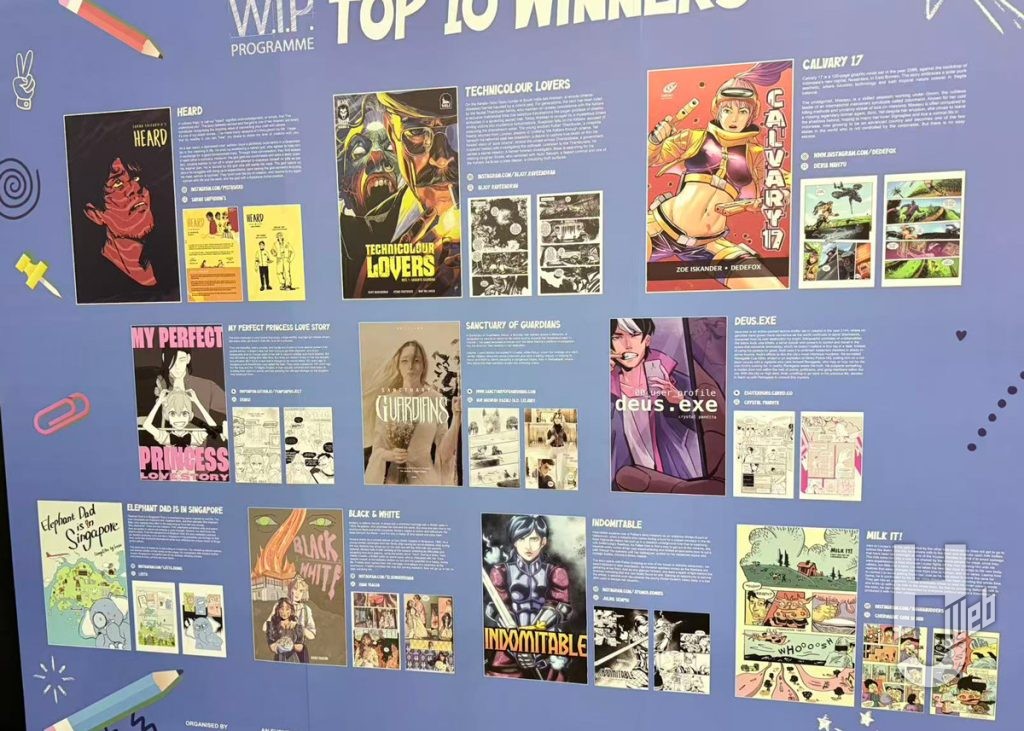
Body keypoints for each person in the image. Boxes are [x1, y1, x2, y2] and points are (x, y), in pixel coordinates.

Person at [647, 62, 791, 289]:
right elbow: (647, 159)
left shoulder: (757, 155)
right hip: (658, 229)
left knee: (771, 290)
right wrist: (655, 141)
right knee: (617, 268)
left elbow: (782, 182)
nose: (734, 118)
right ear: (718, 110)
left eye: (742, 111)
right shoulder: (692, 138)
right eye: (727, 110)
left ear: (751, 115)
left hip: (709, 246)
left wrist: (780, 195)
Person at [610, 318, 725, 493]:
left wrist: (680, 403)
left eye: (634, 335)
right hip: (624, 484)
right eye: (617, 337)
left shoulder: (674, 381)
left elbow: (703, 425)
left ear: (647, 340)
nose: (627, 345)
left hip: (672, 479)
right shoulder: (607, 387)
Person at [485, 515, 573, 680]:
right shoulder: (500, 572)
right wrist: (517, 646)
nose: (528, 546)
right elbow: (500, 609)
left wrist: (533, 641)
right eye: (521, 539)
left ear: (543, 541)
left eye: (533, 539)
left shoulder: (556, 573)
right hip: (510, 646)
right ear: (514, 541)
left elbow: (560, 607)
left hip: (547, 646)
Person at [363, 340, 461, 485]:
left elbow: (445, 454)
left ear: (424, 365)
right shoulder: (386, 401)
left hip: (426, 481)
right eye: (404, 361)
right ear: (398, 365)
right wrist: (391, 455)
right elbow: (378, 450)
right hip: (394, 482)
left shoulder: (436, 399)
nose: (410, 366)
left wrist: (457, 417)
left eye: (416, 361)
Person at [266, 598, 304, 662]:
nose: (284, 612)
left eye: (287, 609)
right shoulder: (272, 625)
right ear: (278, 610)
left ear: (291, 610)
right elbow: (271, 646)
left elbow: (300, 647)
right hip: (279, 659)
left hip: (293, 660)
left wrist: (292, 646)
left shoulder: (297, 626)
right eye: (282, 609)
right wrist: (279, 646)